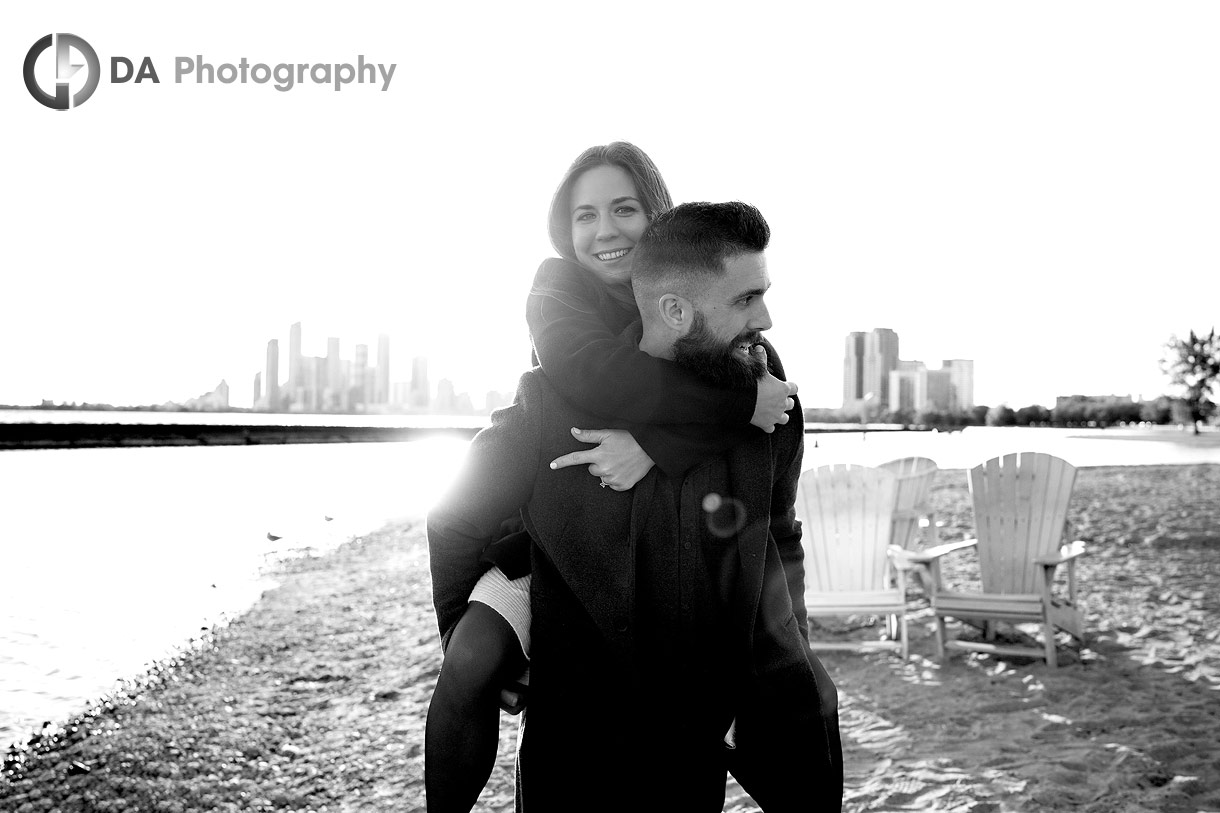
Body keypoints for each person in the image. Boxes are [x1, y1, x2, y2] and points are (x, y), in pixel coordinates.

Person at [429, 201, 842, 811]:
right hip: (576, 744)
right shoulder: (552, 404)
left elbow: (780, 532)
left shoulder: (768, 407)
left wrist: (793, 651)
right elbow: (455, 514)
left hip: (696, 737)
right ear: (674, 310)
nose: (767, 319)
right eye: (746, 300)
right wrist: (469, 633)